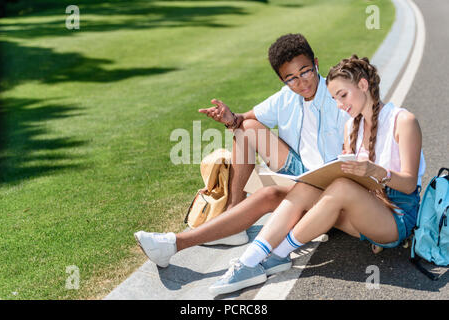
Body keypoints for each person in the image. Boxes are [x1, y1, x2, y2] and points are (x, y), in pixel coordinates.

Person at [208, 54, 426, 296]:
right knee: (307, 186)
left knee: (341, 187)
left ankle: (274, 255)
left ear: (363, 85)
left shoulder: (404, 121)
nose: (340, 105)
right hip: (365, 211)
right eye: (335, 99)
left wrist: (374, 171)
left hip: (395, 217)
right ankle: (250, 261)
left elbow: (407, 185)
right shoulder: (350, 126)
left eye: (343, 96)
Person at [133, 33, 349, 268]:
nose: (301, 82)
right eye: (291, 78)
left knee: (266, 195)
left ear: (316, 64)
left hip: (329, 192)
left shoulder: (339, 98)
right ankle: (233, 215)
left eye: (305, 71)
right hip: (300, 174)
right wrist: (229, 119)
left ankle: (174, 244)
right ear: (282, 79)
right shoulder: (286, 97)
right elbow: (243, 120)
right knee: (247, 129)